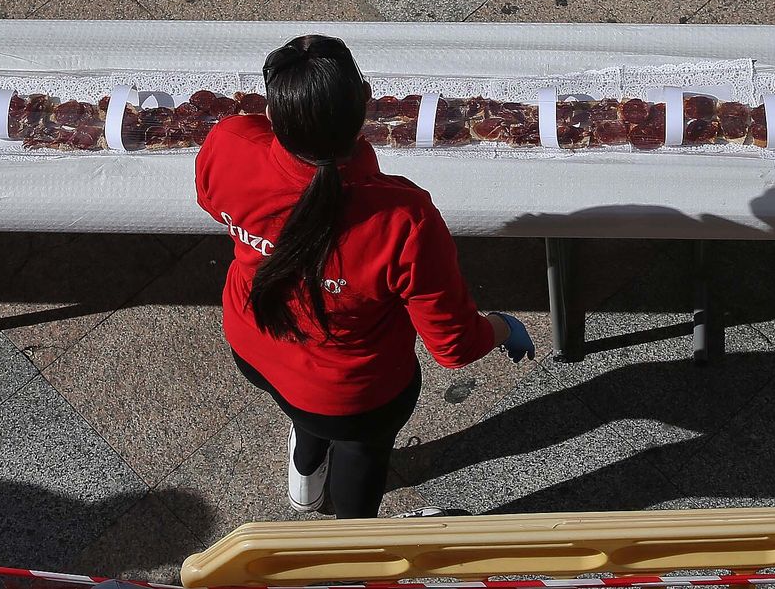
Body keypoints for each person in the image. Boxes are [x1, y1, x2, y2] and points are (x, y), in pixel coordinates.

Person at [195, 34, 534, 518]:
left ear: (272, 114)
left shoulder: (229, 142)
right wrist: (501, 326)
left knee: (299, 405)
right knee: (361, 452)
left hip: (253, 343)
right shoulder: (404, 219)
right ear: (366, 105)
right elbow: (453, 346)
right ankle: (353, 543)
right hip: (354, 392)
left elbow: (212, 202)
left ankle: (306, 471)